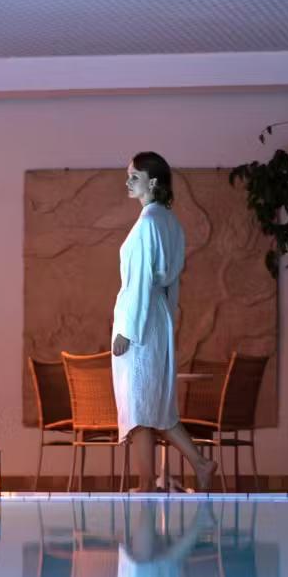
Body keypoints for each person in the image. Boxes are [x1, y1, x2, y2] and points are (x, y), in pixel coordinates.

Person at [111, 152, 215, 493]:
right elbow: (172, 283)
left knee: (141, 407)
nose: (127, 182)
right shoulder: (171, 222)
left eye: (134, 177)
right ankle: (199, 463)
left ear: (152, 182)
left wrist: (127, 329)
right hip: (157, 318)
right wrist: (167, 321)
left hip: (140, 319)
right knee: (155, 405)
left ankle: (145, 483)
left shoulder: (148, 224)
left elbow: (140, 280)